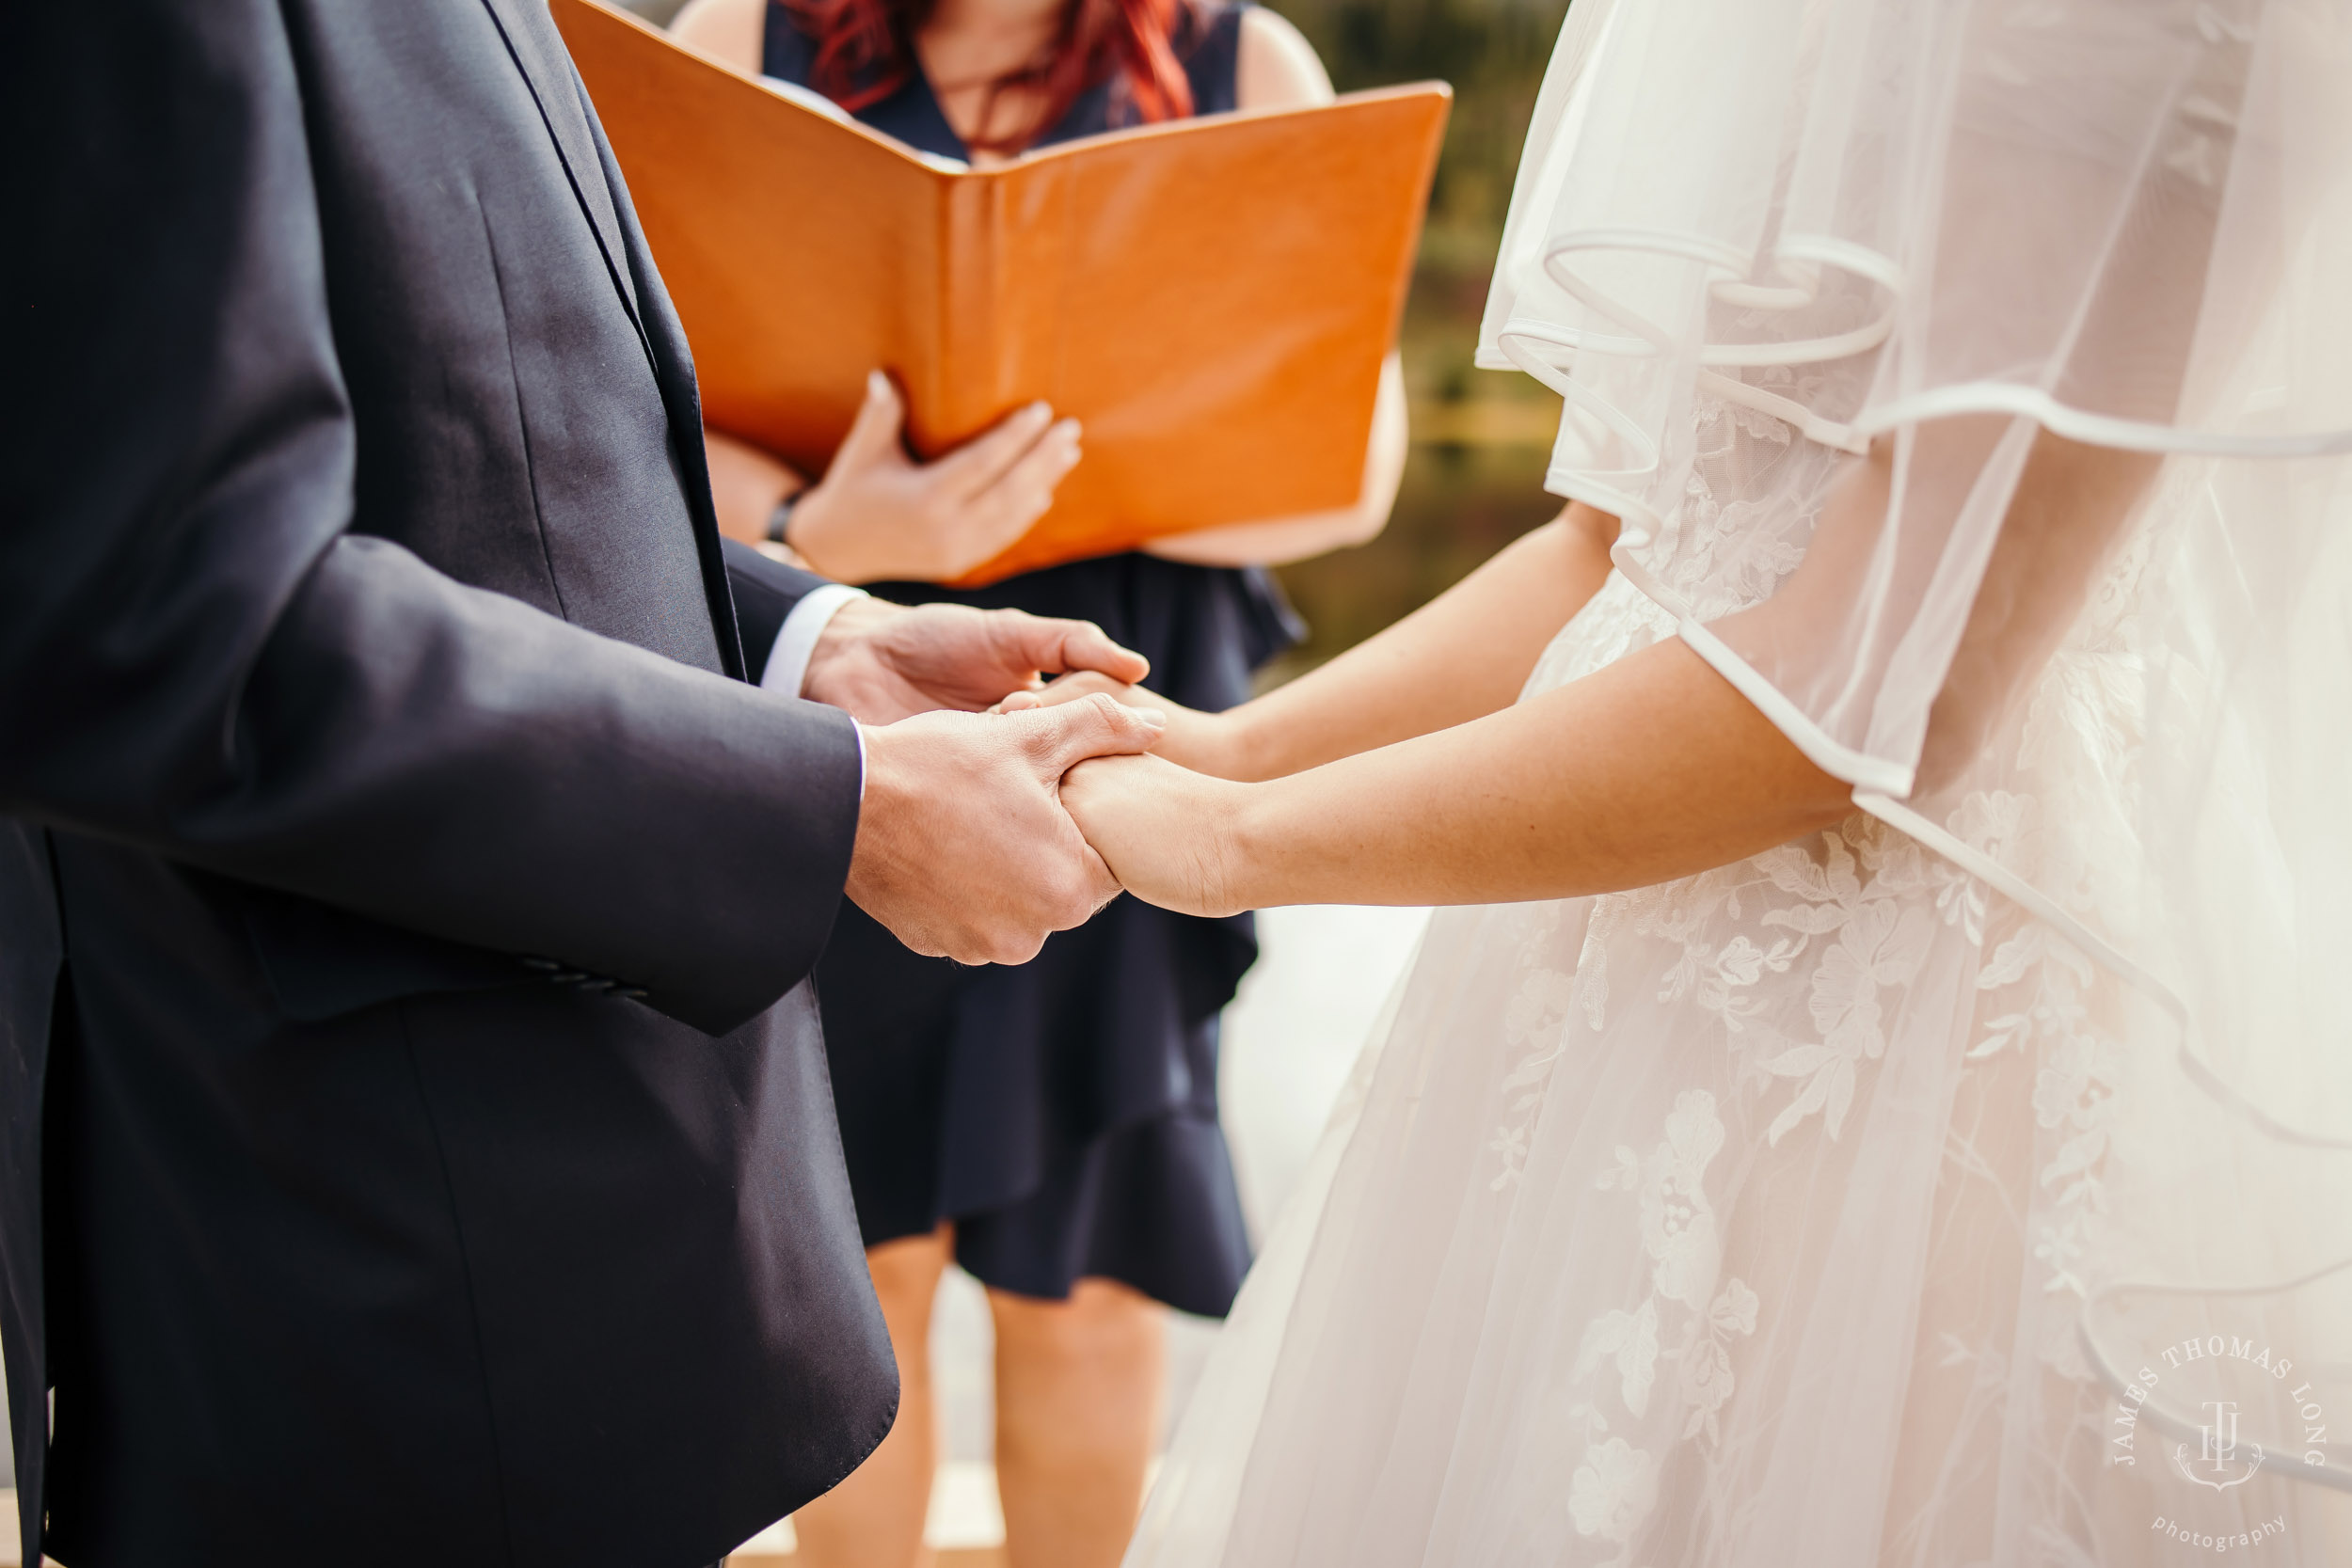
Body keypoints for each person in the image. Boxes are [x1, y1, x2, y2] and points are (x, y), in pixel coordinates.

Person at [1023, 0, 2352, 1561]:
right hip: (1589, 978)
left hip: (1908, 1014)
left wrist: (1240, 841)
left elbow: (1868, 698)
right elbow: (1617, 550)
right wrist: (1224, 743)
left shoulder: (2112, 30)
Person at [0, 0, 1167, 1564]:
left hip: (580, 1268)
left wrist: (808, 641)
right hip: (379, 1296)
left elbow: (483, 446)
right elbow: (177, 616)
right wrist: (837, 806)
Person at [666, 0, 1406, 1562]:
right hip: (846, 687)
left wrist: (1068, 467)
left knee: (1086, 1283)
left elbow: (1357, 461)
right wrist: (847, 527)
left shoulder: (1241, 64)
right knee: (855, 1259)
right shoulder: (739, 38)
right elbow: (640, 411)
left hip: (1128, 713)